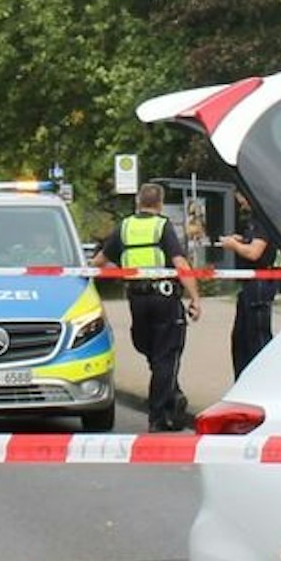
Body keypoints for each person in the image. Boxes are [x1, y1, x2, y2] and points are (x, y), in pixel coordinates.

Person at [92, 182, 202, 431]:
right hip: (163, 299)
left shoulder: (125, 227)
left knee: (149, 349)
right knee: (166, 356)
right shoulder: (162, 226)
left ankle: (170, 396)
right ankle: (159, 415)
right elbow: (180, 263)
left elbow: (98, 261)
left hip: (137, 300)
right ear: (160, 203)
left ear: (138, 202)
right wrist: (195, 298)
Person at [217, 191, 279, 377]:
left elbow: (254, 253)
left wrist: (234, 245)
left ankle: (264, 379)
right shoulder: (253, 221)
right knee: (241, 338)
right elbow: (253, 245)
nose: (240, 202)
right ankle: (243, 380)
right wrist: (242, 240)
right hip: (250, 284)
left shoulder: (261, 219)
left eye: (241, 197)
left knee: (257, 338)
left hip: (259, 284)